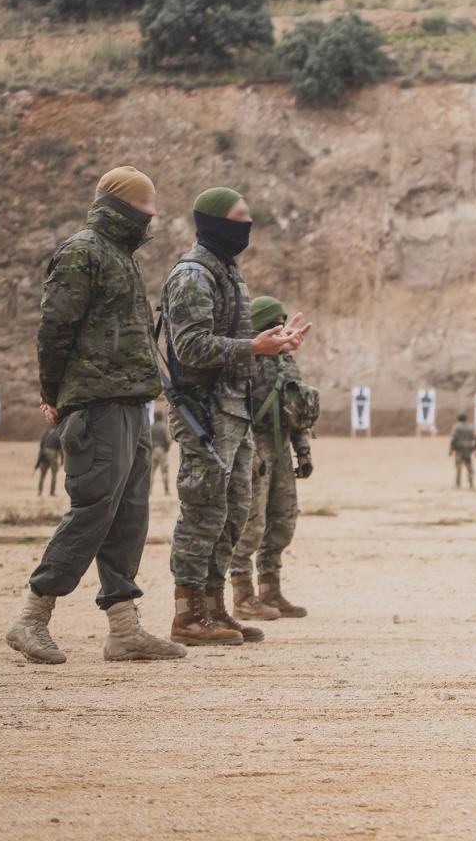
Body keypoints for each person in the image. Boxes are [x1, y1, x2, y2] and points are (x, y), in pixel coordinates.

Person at [6, 165, 183, 664]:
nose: (153, 212)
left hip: (130, 400)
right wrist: (52, 391)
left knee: (128, 515)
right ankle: (32, 616)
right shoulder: (83, 252)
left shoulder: (120, 256)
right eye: (147, 203)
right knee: (92, 511)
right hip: (97, 402)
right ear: (126, 206)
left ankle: (124, 630)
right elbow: (54, 328)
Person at [162, 186, 305, 646]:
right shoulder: (193, 275)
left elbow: (233, 343)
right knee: (203, 511)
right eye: (240, 216)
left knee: (234, 511)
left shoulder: (227, 272)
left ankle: (215, 607)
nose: (248, 223)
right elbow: (189, 347)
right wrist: (253, 346)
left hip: (233, 412)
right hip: (204, 412)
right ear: (217, 221)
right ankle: (187, 614)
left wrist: (273, 345)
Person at [231, 296, 318, 621]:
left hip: (281, 447)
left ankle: (271, 590)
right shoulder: (245, 361)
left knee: (283, 520)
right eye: (273, 324)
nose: (280, 330)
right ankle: (243, 595)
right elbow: (235, 410)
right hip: (256, 445)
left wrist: (303, 450)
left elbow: (295, 408)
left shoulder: (286, 361)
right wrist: (247, 451)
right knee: (252, 523)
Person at [450, 413, 476, 488]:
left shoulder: (457, 426)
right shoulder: (471, 426)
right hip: (469, 449)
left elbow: (453, 438)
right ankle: (471, 483)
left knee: (459, 467)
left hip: (459, 449)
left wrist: (451, 449)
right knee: (469, 465)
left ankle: (458, 484)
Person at [35, 424, 63, 497]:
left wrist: (40, 455)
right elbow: (61, 447)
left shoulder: (46, 430)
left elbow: (41, 443)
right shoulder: (59, 431)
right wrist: (62, 459)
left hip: (44, 452)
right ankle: (52, 492)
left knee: (42, 474)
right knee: (54, 474)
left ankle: (40, 491)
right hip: (54, 453)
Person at [150, 405, 171, 494]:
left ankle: (149, 491)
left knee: (151, 473)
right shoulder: (164, 427)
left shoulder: (151, 427)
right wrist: (166, 449)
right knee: (164, 472)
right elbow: (168, 440)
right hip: (162, 451)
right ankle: (166, 491)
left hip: (153, 451)